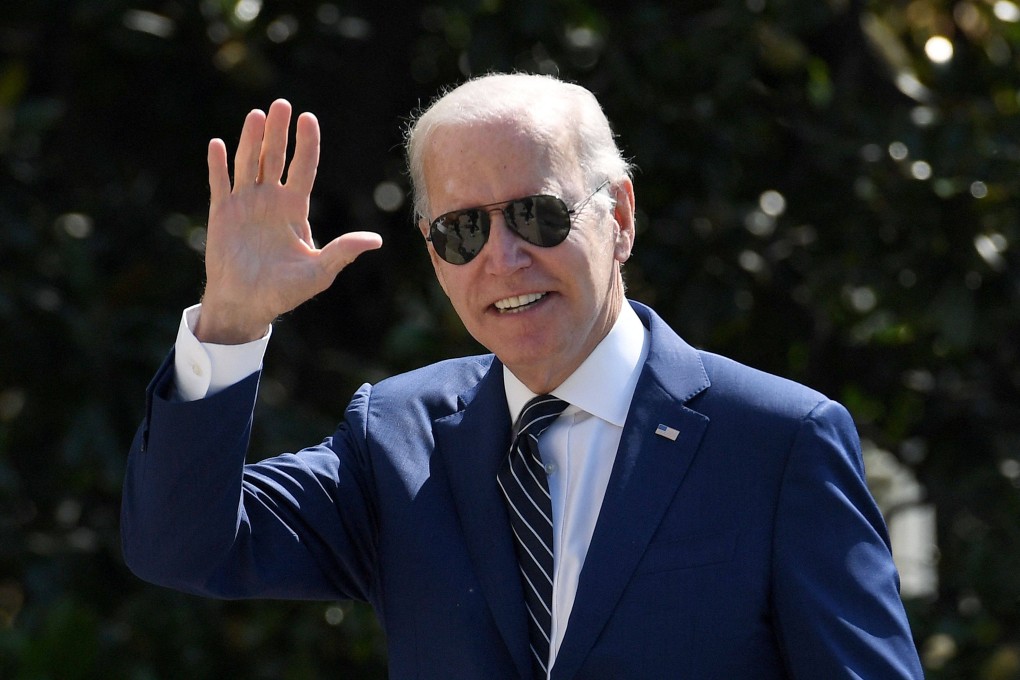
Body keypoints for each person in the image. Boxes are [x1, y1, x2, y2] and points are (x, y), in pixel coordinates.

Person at [121, 73, 925, 679]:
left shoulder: (779, 444)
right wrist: (229, 323)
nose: (503, 259)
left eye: (538, 215)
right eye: (463, 229)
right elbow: (183, 549)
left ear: (620, 217)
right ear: (434, 254)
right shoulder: (397, 437)